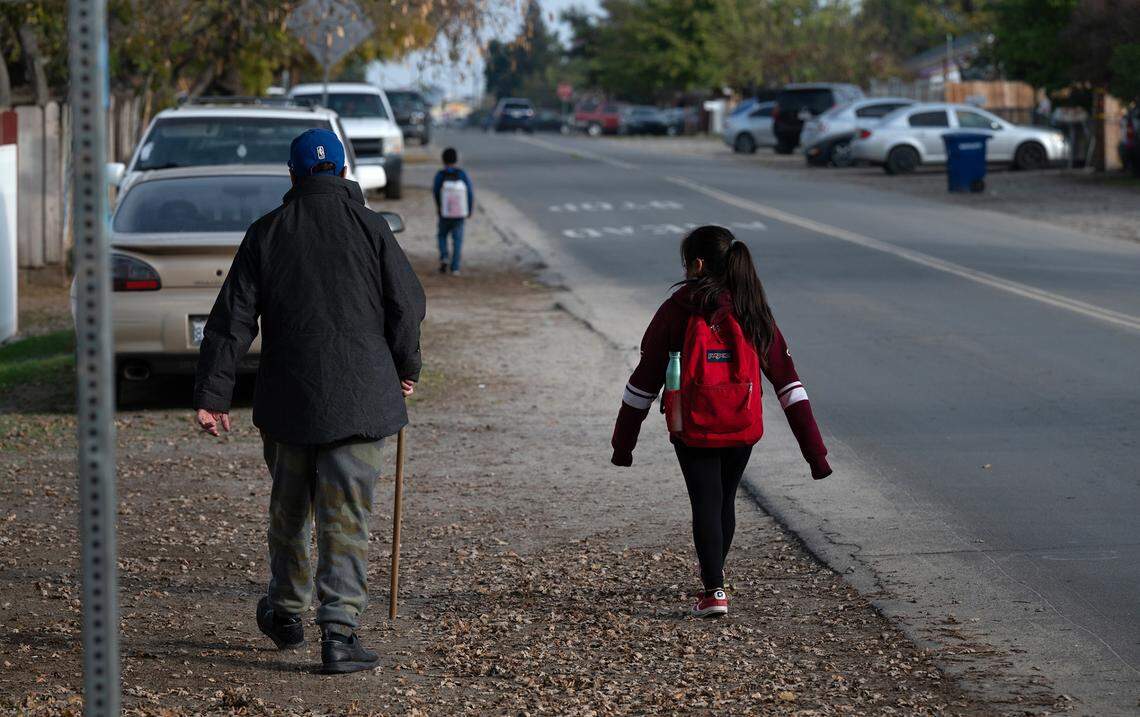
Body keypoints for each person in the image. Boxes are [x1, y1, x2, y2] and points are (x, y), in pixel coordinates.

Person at [193, 128, 426, 674]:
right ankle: (340, 635)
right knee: (346, 517)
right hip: (362, 399)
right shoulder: (372, 228)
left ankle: (288, 614)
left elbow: (231, 321)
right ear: (344, 172)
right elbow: (407, 305)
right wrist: (404, 368)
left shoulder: (267, 232)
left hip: (290, 398)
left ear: (292, 175)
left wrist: (213, 396)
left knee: (290, 511)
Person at [610, 225, 831, 618]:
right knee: (725, 499)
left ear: (696, 265)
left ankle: (714, 589)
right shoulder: (753, 310)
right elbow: (789, 385)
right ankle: (716, 577)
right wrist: (815, 455)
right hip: (742, 426)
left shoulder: (676, 310)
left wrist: (623, 444)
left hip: (691, 428)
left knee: (705, 502)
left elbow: (642, 382)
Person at [432, 147, 474, 275]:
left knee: (442, 235)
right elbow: (470, 193)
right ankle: (455, 267)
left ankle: (444, 256)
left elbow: (435, 191)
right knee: (457, 240)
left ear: (443, 160)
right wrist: (469, 209)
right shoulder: (462, 174)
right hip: (459, 214)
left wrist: (439, 207)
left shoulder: (440, 174)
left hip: (445, 212)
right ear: (456, 159)